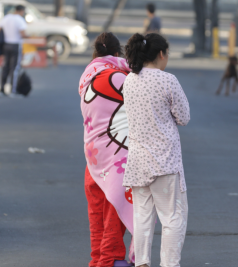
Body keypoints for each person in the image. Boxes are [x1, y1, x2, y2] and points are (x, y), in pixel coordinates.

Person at [123, 33, 190, 267]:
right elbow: (184, 117)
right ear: (161, 54)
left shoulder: (129, 80)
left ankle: (141, 262)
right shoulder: (167, 80)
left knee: (142, 216)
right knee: (172, 218)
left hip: (138, 160)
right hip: (164, 161)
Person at [78, 32, 135, 267]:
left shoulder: (87, 75)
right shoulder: (124, 77)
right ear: (118, 52)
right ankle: (108, 262)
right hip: (117, 162)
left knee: (96, 219)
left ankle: (96, 262)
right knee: (113, 220)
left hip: (92, 161)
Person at [0, 5, 27, 97]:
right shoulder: (20, 20)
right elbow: (22, 34)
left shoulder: (6, 18)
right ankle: (13, 90)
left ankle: (2, 90)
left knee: (5, 67)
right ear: (21, 11)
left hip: (6, 45)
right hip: (16, 45)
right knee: (14, 68)